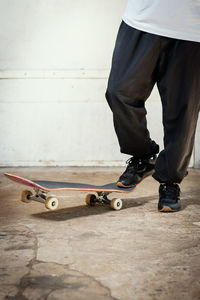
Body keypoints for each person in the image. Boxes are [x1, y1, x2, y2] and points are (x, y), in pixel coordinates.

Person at [106, 0, 200, 212]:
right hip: (141, 21)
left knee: (182, 112)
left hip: (191, 30)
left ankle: (170, 182)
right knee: (119, 92)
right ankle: (143, 155)